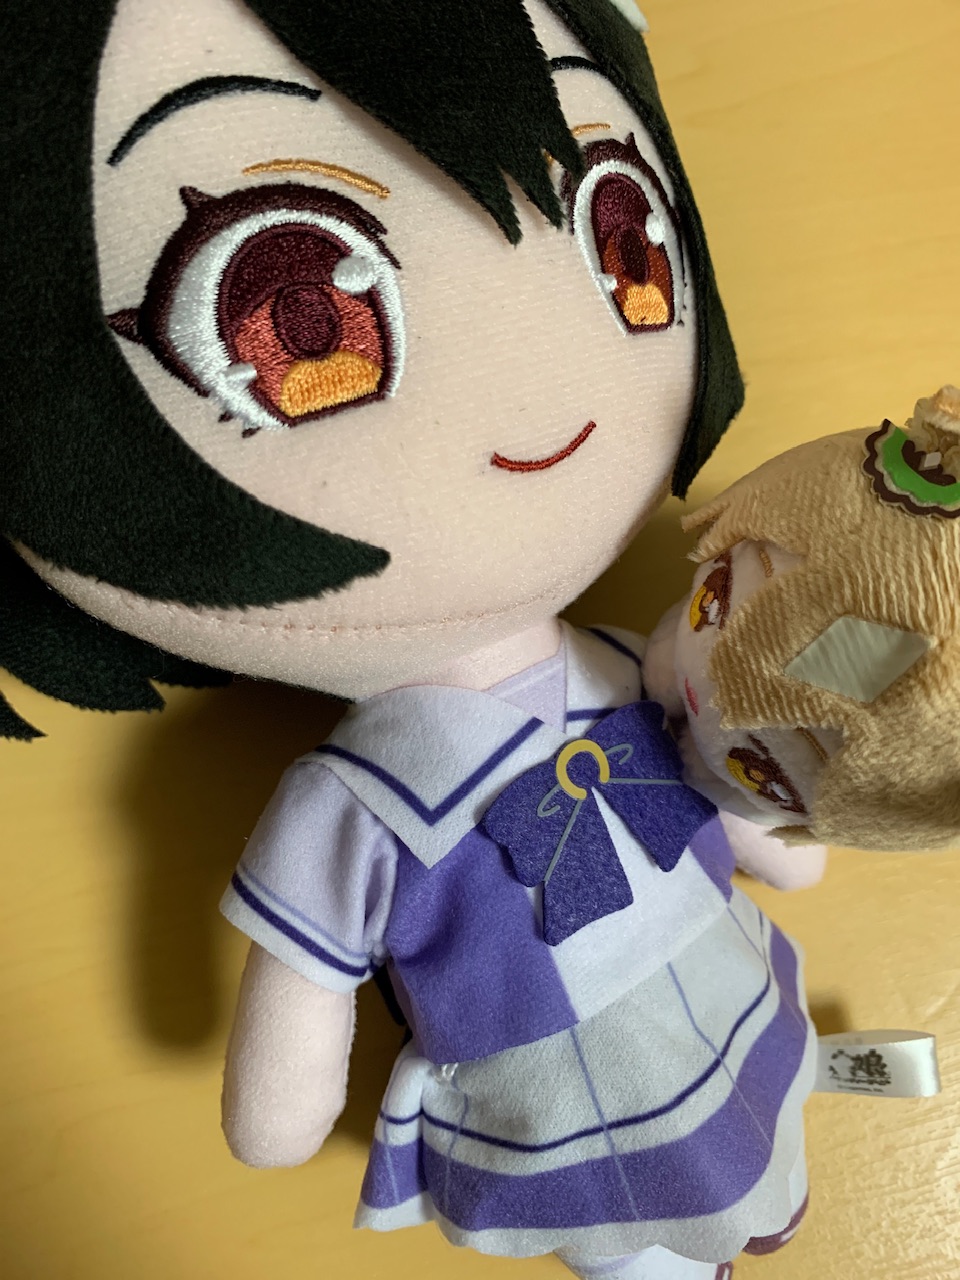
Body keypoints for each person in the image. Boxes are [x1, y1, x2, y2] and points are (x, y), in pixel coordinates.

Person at [1, 2, 811, 1276]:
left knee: (769, 1115)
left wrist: (770, 835)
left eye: (622, 238)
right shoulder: (356, 799)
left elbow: (713, 776)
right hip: (561, 1082)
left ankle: (765, 1195)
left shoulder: (617, 660)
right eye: (296, 317)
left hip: (723, 987)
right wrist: (284, 1094)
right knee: (636, 1235)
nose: (542, 398)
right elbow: (301, 991)